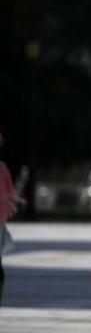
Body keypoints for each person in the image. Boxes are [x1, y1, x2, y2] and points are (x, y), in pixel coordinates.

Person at [0, 131, 25, 308]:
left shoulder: (2, 168)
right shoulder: (2, 167)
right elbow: (9, 192)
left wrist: (15, 199)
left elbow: (9, 191)